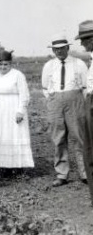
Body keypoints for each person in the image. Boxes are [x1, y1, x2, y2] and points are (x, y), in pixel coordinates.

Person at [41, 34, 88, 187]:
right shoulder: (49, 65)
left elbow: (85, 86)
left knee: (80, 137)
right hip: (55, 103)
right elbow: (45, 87)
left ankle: (85, 172)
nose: (59, 52)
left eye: (62, 48)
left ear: (68, 48)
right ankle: (62, 174)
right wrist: (52, 100)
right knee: (58, 138)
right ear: (53, 50)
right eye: (56, 49)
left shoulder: (78, 63)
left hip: (75, 101)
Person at [0, 50, 34, 174]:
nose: (3, 67)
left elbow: (24, 95)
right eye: (0, 64)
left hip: (12, 109)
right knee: (0, 136)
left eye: (5, 64)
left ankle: (18, 167)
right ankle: (3, 167)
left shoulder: (17, 75)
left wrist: (20, 111)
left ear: (10, 64)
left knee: (14, 136)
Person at [75, 20, 93, 203]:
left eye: (85, 40)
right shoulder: (91, 59)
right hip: (89, 101)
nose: (82, 44)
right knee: (89, 150)